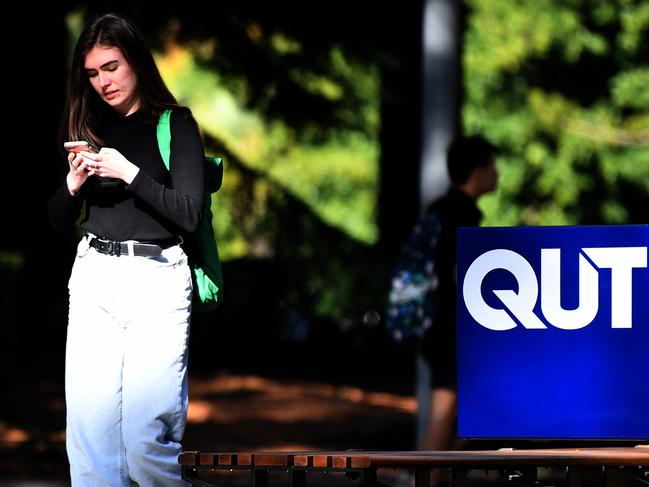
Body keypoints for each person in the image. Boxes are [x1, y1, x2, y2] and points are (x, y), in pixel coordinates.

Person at [48, 12, 205, 486]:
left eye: (111, 67)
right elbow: (56, 221)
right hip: (95, 277)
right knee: (91, 449)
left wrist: (129, 173)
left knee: (144, 444)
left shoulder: (174, 124)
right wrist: (73, 184)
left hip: (157, 282)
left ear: (135, 59)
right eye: (93, 73)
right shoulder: (89, 123)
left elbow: (190, 213)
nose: (102, 82)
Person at [420, 136, 499, 483]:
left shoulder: (441, 208)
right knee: (446, 411)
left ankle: (435, 480)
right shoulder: (460, 212)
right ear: (478, 171)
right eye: (492, 166)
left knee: (462, 412)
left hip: (437, 323)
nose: (497, 174)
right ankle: (425, 481)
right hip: (449, 327)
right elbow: (459, 272)